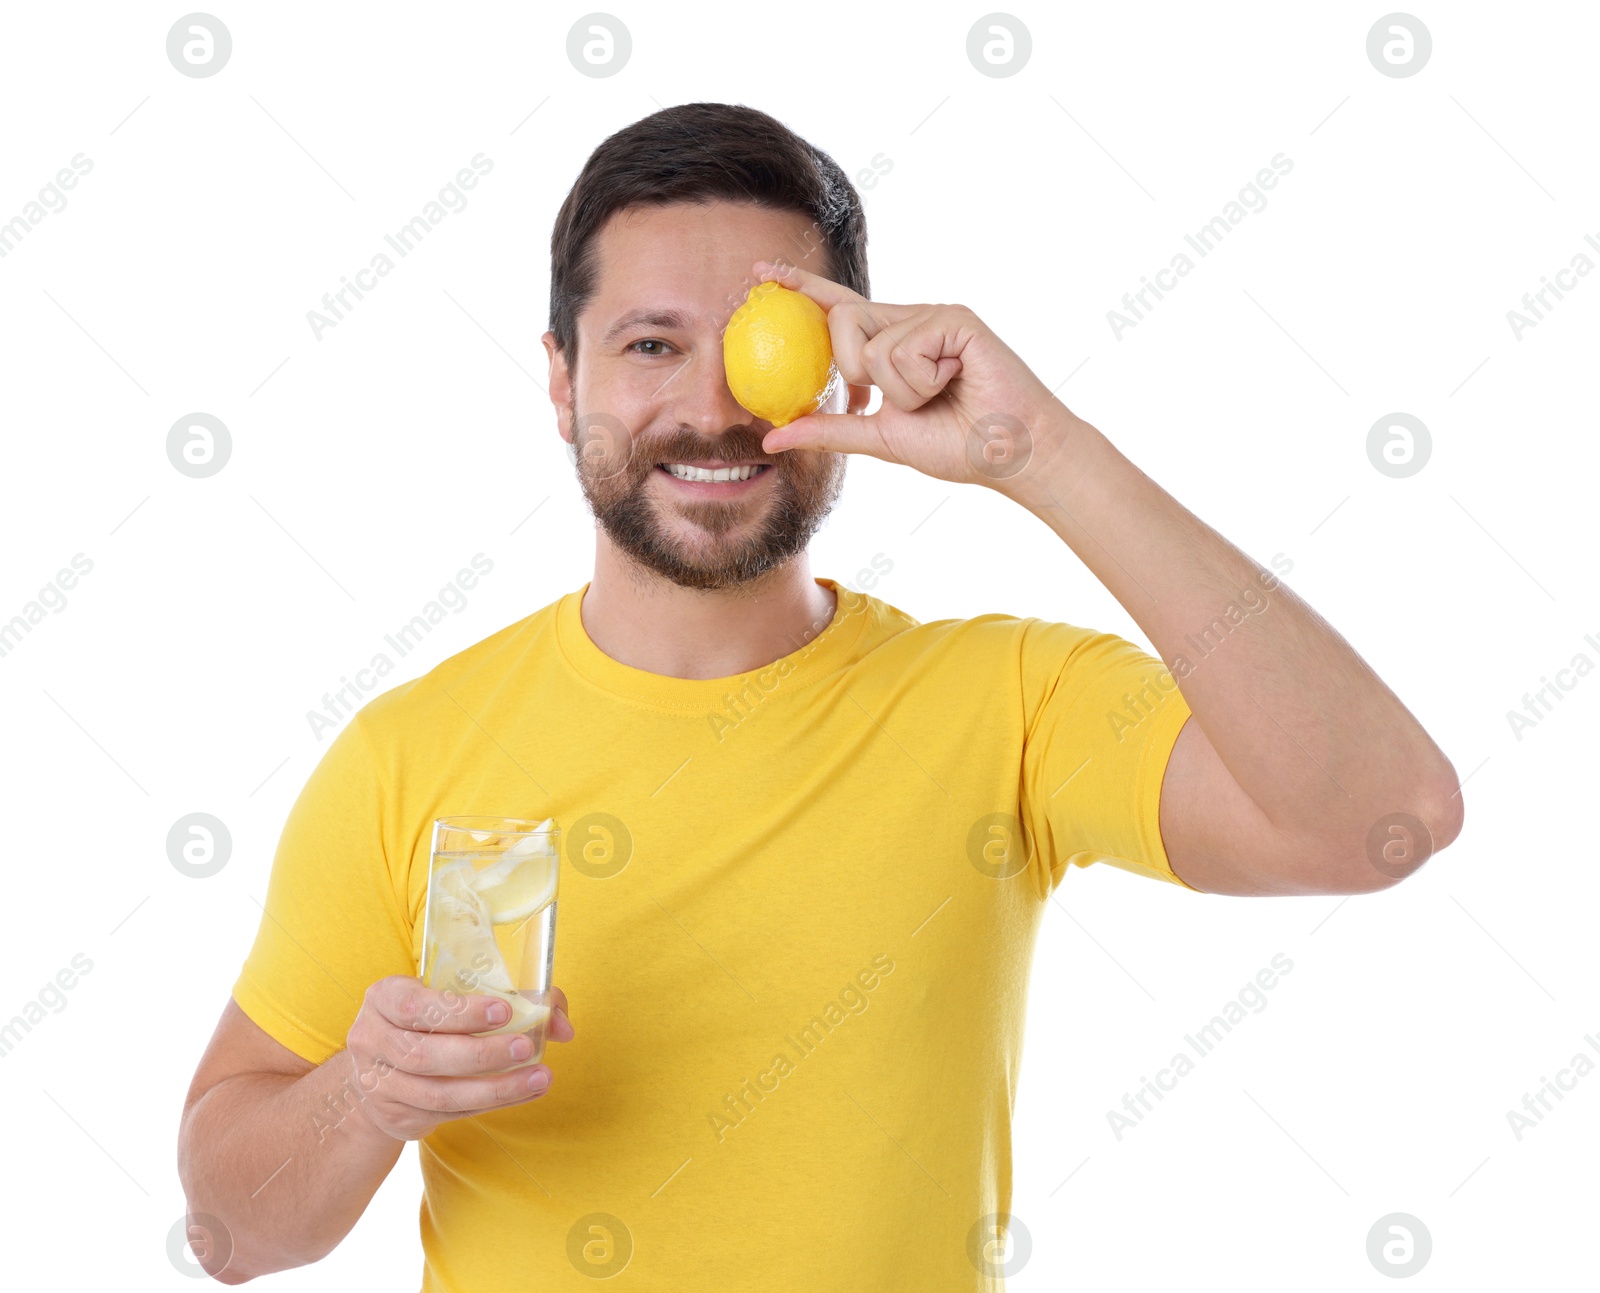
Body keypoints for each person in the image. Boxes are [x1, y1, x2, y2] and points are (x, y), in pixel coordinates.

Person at [177, 102, 1463, 1289]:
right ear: (564, 380)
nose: (712, 408)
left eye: (756, 345)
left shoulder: (1005, 704)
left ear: (841, 367)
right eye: (646, 345)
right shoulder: (409, 754)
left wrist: (1042, 454)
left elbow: (1379, 818)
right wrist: (368, 1094)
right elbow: (229, 1234)